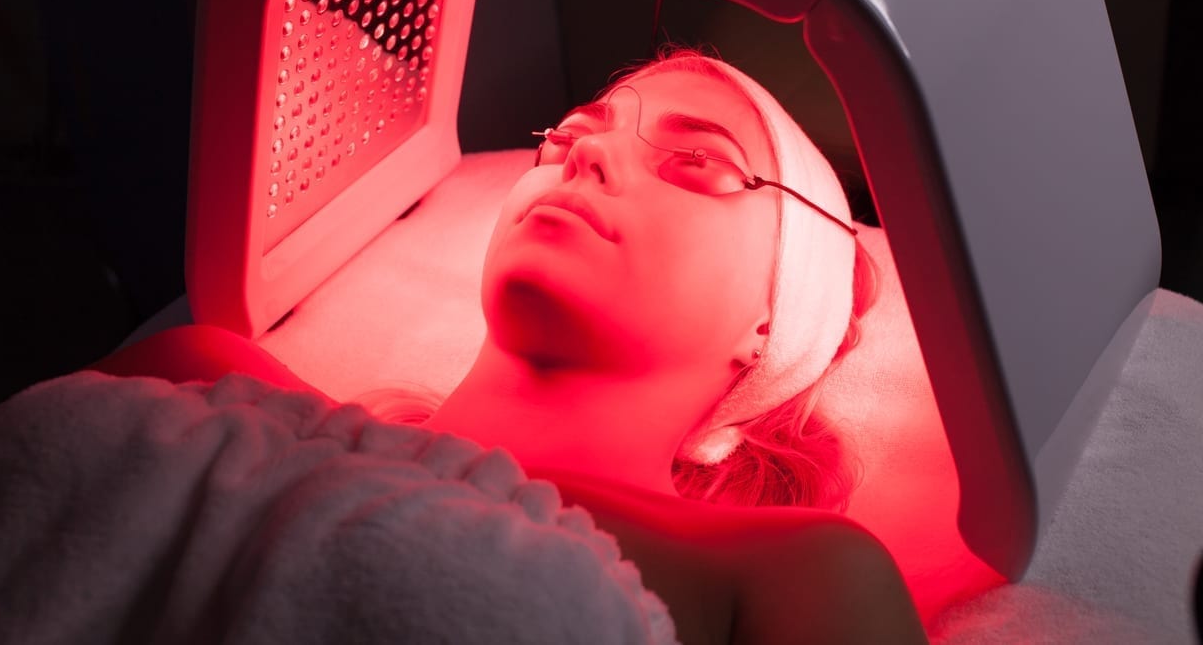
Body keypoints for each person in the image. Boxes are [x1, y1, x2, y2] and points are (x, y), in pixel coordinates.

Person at [376, 47, 924, 643]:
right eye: (565, 138)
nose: (586, 153)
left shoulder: (792, 575)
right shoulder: (266, 408)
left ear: (776, 318)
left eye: (696, 159)